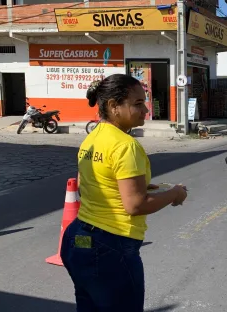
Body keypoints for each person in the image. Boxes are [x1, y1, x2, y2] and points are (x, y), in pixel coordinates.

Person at [60, 74, 188, 311]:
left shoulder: (92, 138)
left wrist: (139, 186)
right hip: (111, 247)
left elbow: (87, 182)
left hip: (78, 239)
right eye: (137, 103)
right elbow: (135, 205)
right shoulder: (126, 146)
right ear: (113, 106)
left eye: (144, 102)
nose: (145, 109)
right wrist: (174, 194)